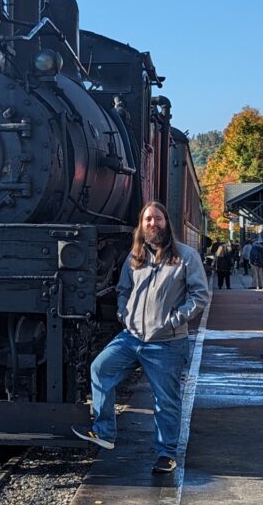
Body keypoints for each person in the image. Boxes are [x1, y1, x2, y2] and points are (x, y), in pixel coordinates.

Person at [72, 201, 209, 474]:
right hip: (132, 336)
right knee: (100, 368)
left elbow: (200, 295)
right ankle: (105, 432)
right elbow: (123, 289)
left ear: (166, 223)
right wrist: (124, 313)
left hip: (166, 342)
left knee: (165, 401)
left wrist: (173, 320)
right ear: (141, 224)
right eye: (147, 219)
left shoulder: (186, 256)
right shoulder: (135, 256)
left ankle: (166, 454)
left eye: (157, 218)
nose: (152, 223)